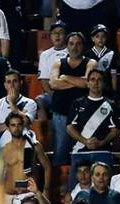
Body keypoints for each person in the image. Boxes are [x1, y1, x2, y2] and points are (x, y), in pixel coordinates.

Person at [48, 32, 93, 166]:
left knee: (80, 152)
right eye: (71, 44)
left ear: (84, 46)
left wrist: (65, 78)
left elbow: (88, 83)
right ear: (67, 46)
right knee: (60, 150)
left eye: (78, 44)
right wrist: (78, 82)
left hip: (82, 115)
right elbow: (53, 84)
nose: (75, 47)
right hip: (61, 113)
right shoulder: (58, 63)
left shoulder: (90, 63)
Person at [67, 68, 118, 171]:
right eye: (92, 79)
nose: (96, 83)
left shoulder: (111, 105)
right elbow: (69, 128)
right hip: (80, 151)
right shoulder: (77, 103)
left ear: (104, 83)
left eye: (99, 80)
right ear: (88, 83)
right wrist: (85, 142)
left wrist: (101, 143)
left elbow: (115, 130)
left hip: (103, 151)